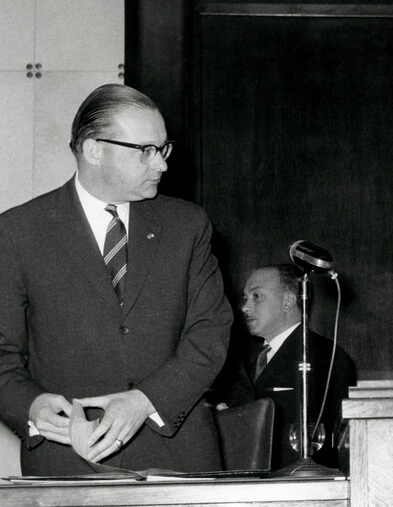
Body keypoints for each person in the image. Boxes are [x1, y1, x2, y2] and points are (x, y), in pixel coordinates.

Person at [0, 84, 233, 475]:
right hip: (69, 460)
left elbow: (210, 332)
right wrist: (32, 407)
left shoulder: (187, 225)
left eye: (163, 149)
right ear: (94, 149)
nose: (161, 165)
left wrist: (145, 400)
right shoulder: (18, 231)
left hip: (178, 459)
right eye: (145, 151)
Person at [216, 263, 356, 471]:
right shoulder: (241, 359)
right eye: (245, 298)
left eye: (256, 296)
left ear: (288, 302)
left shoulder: (325, 355)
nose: (245, 307)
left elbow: (333, 439)